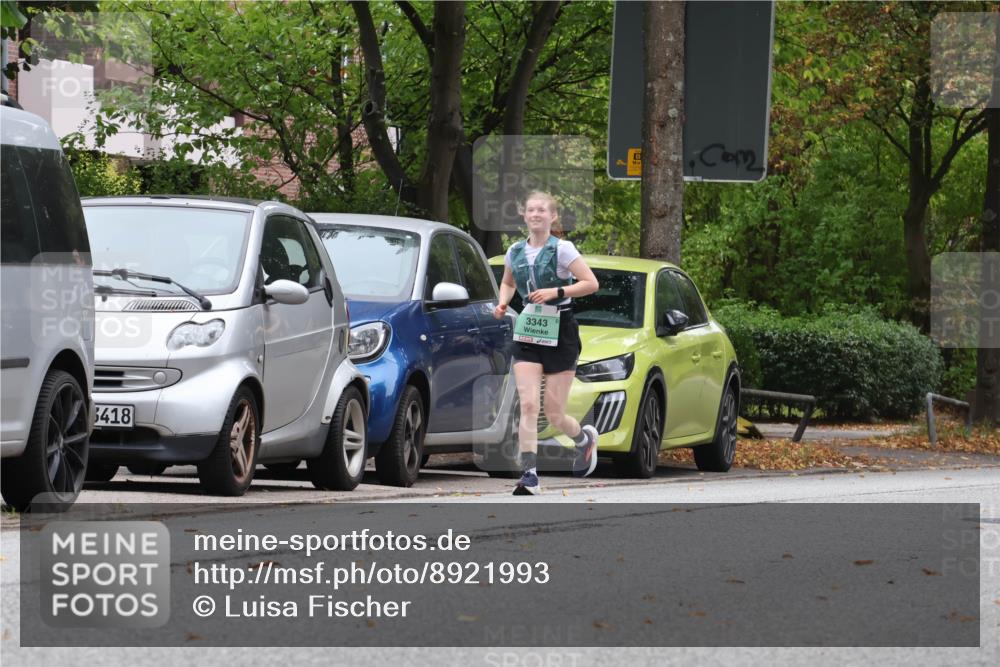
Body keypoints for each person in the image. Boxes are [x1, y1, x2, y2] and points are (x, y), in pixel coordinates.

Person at [493, 191, 600, 495]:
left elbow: (591, 283)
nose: (536, 214)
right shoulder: (514, 250)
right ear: (524, 216)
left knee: (554, 414)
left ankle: (584, 440)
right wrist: (502, 303)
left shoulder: (563, 249)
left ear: (552, 217)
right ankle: (529, 475)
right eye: (531, 210)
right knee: (528, 405)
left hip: (561, 329)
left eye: (542, 210)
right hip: (529, 329)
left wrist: (557, 292)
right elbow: (509, 282)